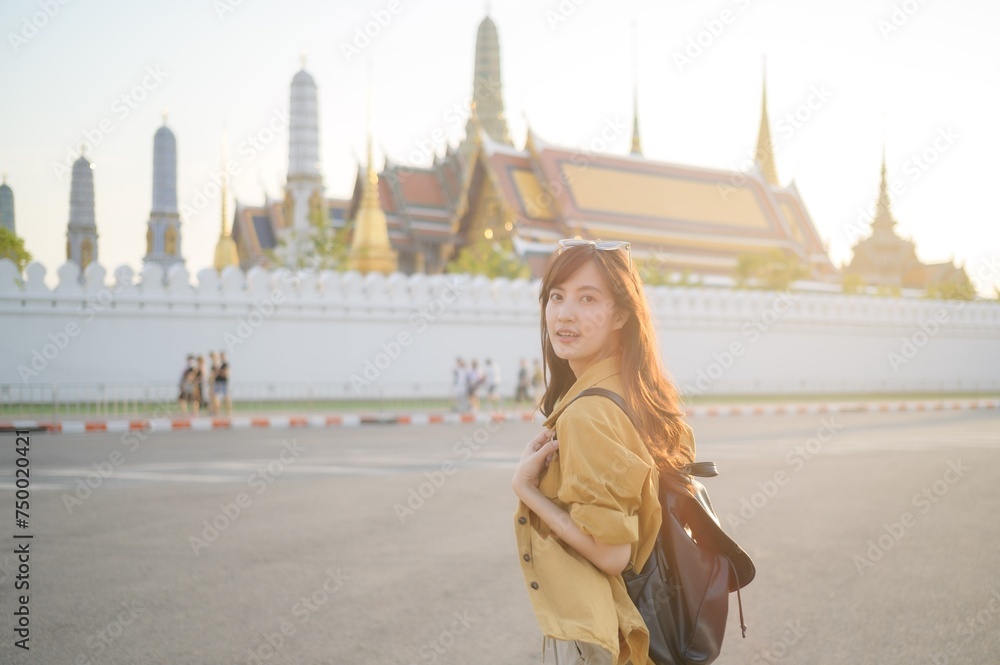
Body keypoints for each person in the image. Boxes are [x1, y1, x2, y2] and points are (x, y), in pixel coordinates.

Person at [511, 239, 696, 665]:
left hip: (618, 639)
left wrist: (528, 489)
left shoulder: (588, 414)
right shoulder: (638, 391)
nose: (564, 314)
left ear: (622, 314)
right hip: (655, 628)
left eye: (587, 298)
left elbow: (612, 554)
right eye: (556, 296)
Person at [215, 351, 232, 417]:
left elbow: (226, 374)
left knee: (227, 397)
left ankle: (228, 411)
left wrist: (220, 372)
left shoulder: (226, 365)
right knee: (216, 398)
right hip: (218, 383)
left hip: (224, 383)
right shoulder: (218, 364)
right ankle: (217, 411)